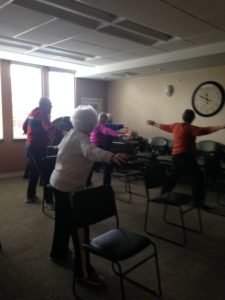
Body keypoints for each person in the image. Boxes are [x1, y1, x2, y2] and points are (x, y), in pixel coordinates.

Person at [49, 105, 128, 285]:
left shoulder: (70, 133)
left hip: (58, 184)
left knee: (63, 221)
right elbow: (92, 151)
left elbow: (67, 150)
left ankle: (58, 253)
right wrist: (112, 157)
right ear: (91, 122)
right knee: (80, 232)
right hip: (70, 188)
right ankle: (83, 273)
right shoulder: (82, 138)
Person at [146, 108, 225, 209]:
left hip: (176, 156)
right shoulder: (190, 128)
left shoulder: (175, 126)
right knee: (197, 177)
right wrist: (221, 126)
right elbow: (206, 130)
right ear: (193, 118)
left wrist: (153, 123)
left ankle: (163, 193)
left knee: (175, 175)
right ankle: (197, 202)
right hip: (185, 157)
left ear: (183, 117)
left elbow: (163, 126)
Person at [23, 97, 63, 206]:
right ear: (44, 105)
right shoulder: (42, 114)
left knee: (34, 172)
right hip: (37, 148)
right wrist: (62, 132)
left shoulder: (33, 111)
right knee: (47, 174)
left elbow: (25, 124)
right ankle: (48, 201)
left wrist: (26, 132)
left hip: (29, 147)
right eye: (49, 104)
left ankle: (30, 196)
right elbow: (48, 128)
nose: (51, 106)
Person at [90, 112, 128, 185]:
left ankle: (87, 182)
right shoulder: (102, 126)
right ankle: (106, 186)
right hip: (99, 147)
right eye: (104, 118)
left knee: (91, 166)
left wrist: (122, 127)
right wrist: (119, 134)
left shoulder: (94, 125)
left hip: (93, 147)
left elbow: (111, 128)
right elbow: (107, 130)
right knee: (108, 166)